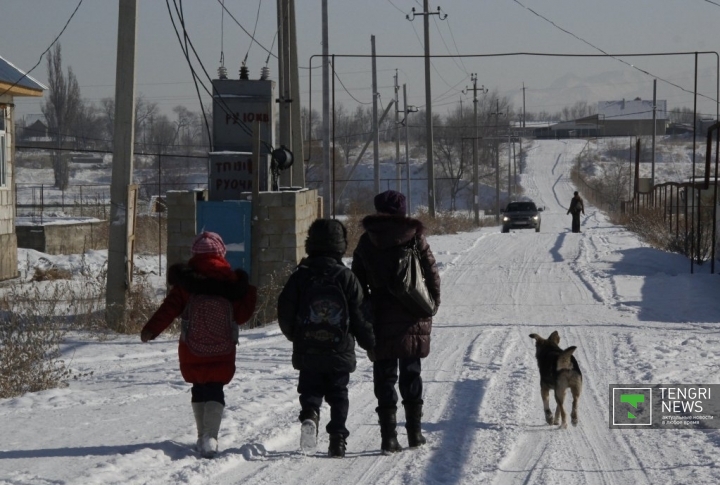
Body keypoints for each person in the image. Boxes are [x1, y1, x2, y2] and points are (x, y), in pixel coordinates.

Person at [140, 231, 257, 458]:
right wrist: (249, 290)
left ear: (195, 255)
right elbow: (242, 316)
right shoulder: (231, 282)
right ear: (221, 253)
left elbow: (169, 309)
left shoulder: (186, 283)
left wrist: (151, 330)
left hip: (192, 349)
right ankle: (210, 437)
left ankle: (202, 435)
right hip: (223, 348)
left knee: (199, 388)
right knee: (215, 388)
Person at [351, 190, 441, 454]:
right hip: (412, 312)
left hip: (379, 315)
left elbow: (356, 283)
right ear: (403, 210)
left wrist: (364, 312)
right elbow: (432, 272)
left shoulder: (367, 240)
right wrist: (431, 303)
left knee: (384, 375)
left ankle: (388, 438)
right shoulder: (415, 237)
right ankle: (415, 434)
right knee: (411, 372)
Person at [277, 219, 375, 458]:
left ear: (310, 243)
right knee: (339, 394)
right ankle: (337, 439)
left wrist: (296, 336)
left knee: (310, 390)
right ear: (341, 244)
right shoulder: (346, 277)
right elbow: (360, 316)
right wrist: (370, 343)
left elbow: (285, 311)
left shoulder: (300, 276)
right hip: (339, 349)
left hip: (308, 348)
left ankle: (310, 415)